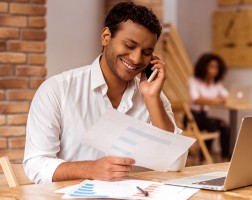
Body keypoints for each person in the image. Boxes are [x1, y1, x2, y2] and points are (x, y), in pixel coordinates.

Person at [23, 2, 187, 184]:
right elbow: (36, 164)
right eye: (129, 45)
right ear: (106, 37)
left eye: (147, 52)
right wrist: (91, 169)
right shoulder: (57, 90)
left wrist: (151, 98)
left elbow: (175, 164)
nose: (136, 58)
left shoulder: (153, 97)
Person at [186, 53, 231, 161]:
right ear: (204, 66)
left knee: (224, 125)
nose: (214, 70)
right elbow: (196, 98)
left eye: (216, 67)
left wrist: (221, 99)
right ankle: (204, 156)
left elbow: (226, 96)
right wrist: (218, 99)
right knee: (212, 126)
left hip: (205, 116)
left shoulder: (216, 84)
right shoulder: (194, 81)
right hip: (193, 117)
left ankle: (226, 157)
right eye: (212, 66)